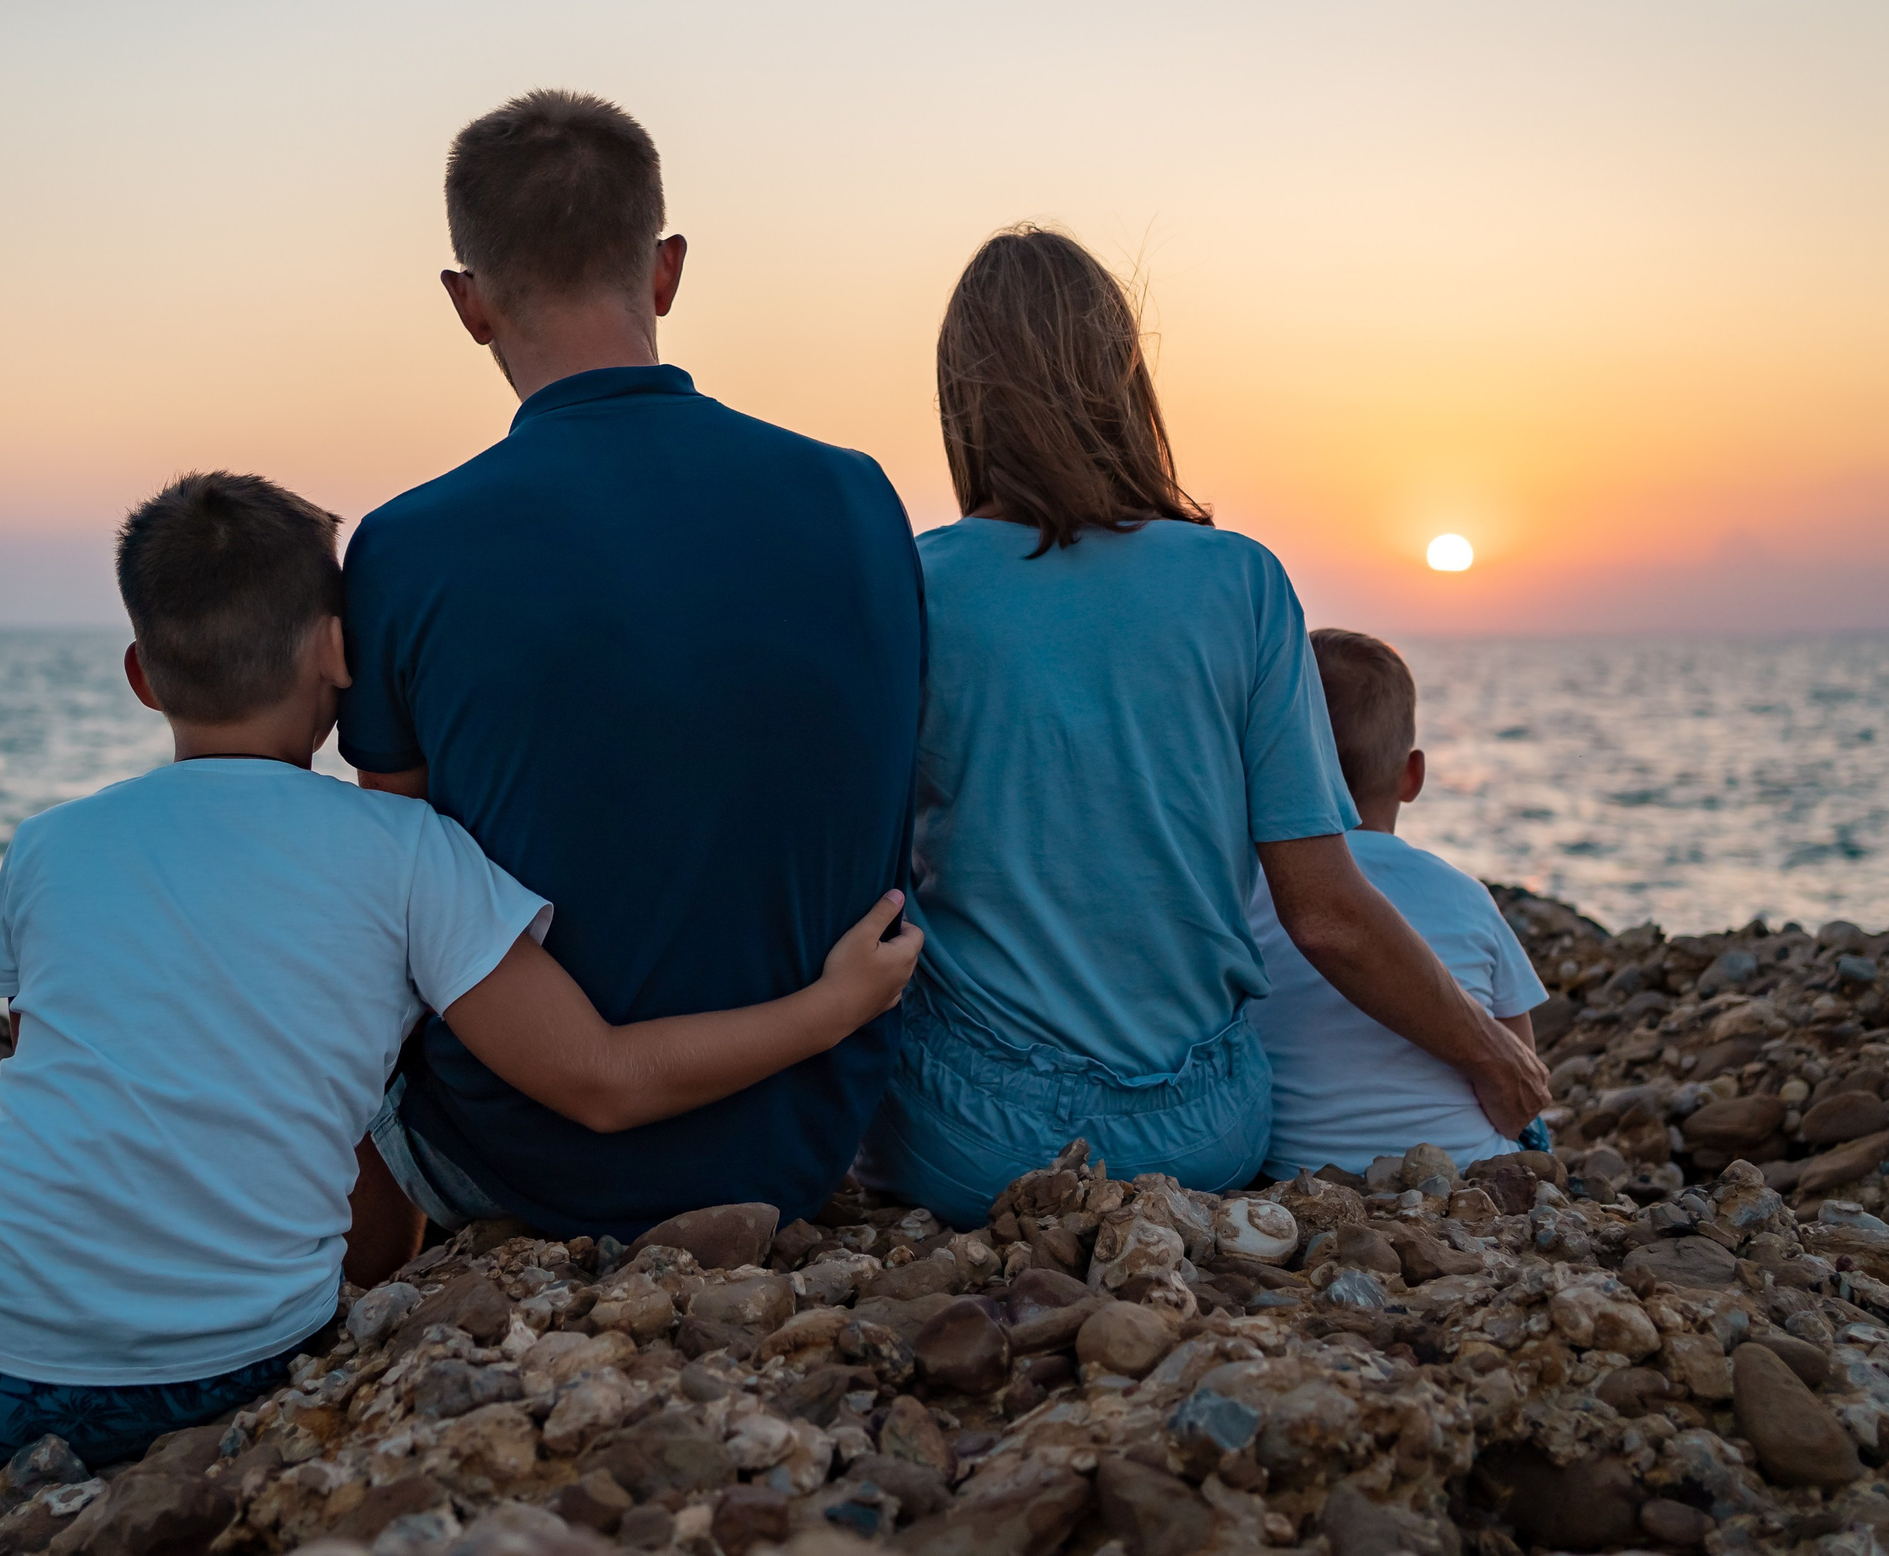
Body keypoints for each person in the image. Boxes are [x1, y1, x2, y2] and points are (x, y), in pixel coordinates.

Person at [0, 473, 921, 1555]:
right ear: (341, 654)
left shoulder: (50, 847)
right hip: (213, 1370)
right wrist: (825, 1006)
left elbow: (60, 1098)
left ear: (140, 672)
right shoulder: (408, 856)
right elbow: (602, 1078)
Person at [856, 226, 1549, 1227]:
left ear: (961, 399)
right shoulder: (1242, 582)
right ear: (1123, 379)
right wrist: (1494, 1056)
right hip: (1200, 1135)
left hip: (971, 1138)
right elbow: (1325, 914)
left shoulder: (913, 583)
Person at [340, 90, 926, 1259]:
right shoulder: (858, 495)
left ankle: (347, 1306)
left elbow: (400, 878)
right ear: (665, 270)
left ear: (467, 302)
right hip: (805, 1137)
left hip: (527, 1156)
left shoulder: (404, 548)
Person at [1246, 629, 1547, 1177]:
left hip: (1292, 1174)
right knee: (1537, 1131)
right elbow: (1519, 1064)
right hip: (1463, 1172)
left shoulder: (1250, 891)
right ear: (1413, 775)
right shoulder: (1468, 896)